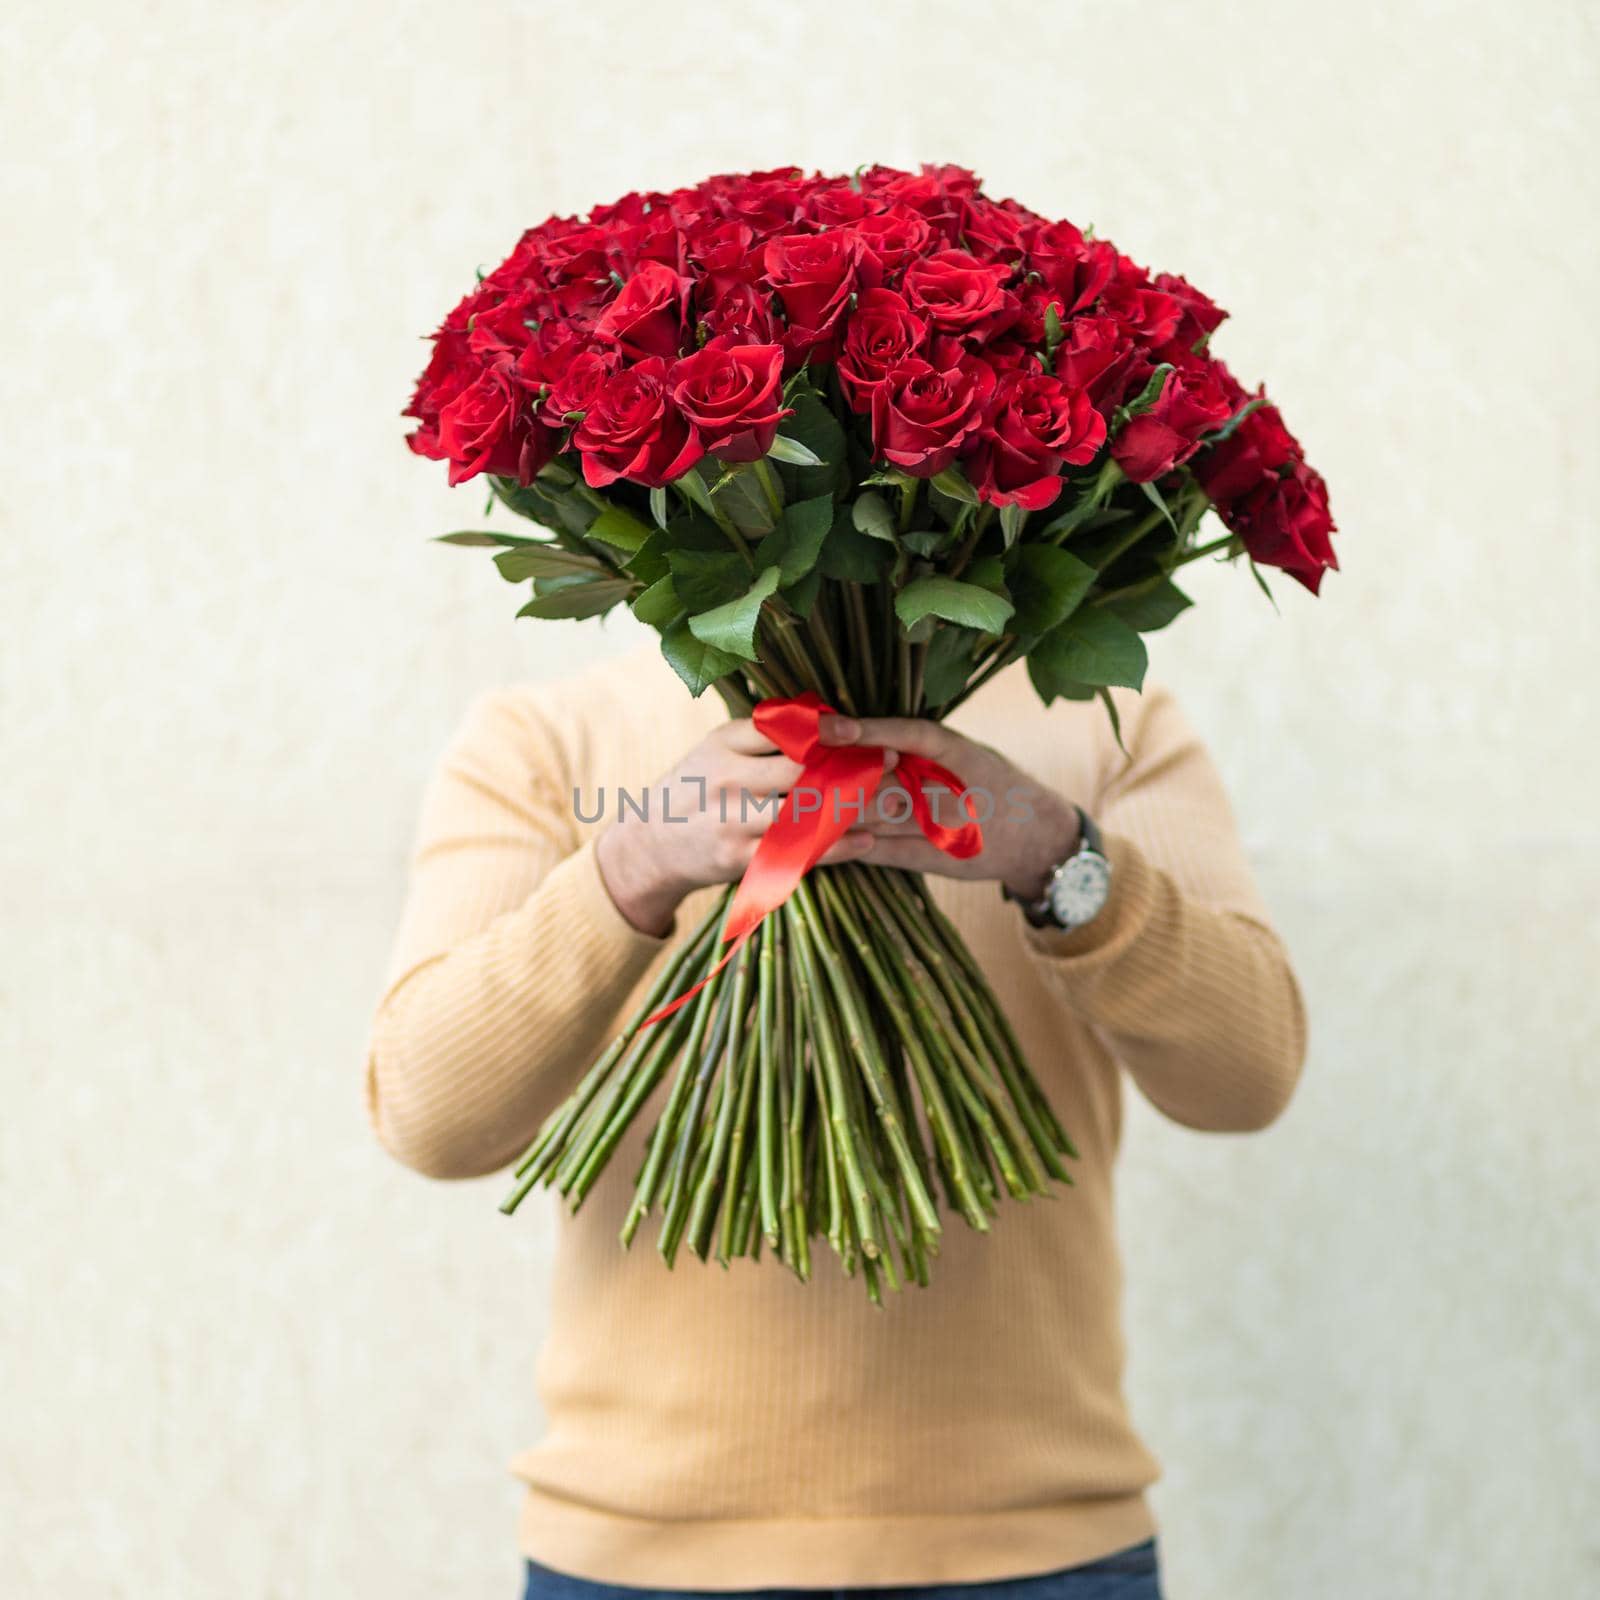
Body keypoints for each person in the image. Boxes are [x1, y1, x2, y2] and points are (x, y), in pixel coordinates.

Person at [364, 641, 1306, 1600]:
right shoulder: (547, 740)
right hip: (640, 1551)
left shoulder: (1105, 726)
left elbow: (1247, 1075)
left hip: (1035, 1545)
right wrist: (633, 863)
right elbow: (428, 1115)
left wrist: (1056, 854)